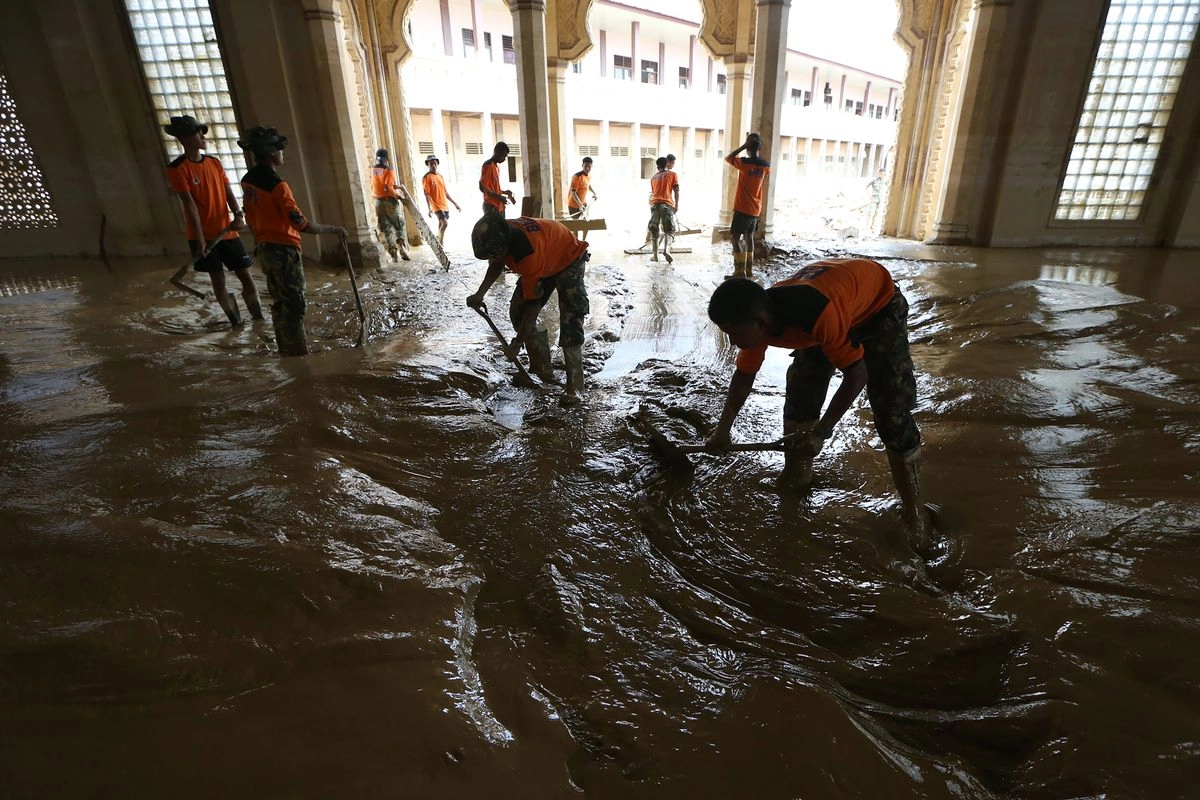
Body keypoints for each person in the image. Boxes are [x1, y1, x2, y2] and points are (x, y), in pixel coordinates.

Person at [704, 258, 932, 554]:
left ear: (760, 322)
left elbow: (857, 375)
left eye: (733, 333)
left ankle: (915, 512)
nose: (733, 341)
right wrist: (723, 431)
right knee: (801, 388)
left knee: (891, 408)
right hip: (830, 309)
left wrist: (822, 432)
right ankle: (798, 474)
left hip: (877, 306)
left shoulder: (814, 312)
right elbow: (744, 378)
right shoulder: (758, 321)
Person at [238, 126, 348, 357]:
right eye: (279, 149)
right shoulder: (279, 186)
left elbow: (250, 215)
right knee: (295, 307)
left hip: (265, 250)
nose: (282, 154)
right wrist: (333, 229)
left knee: (280, 303)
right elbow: (300, 224)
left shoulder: (247, 181)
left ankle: (285, 353)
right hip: (284, 251)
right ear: (271, 154)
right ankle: (299, 358)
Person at [466, 215, 590, 404]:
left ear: (505, 244)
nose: (495, 258)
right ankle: (541, 370)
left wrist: (516, 343)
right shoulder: (502, 236)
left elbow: (533, 307)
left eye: (495, 253)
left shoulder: (527, 253)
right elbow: (497, 263)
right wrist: (480, 293)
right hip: (545, 256)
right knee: (518, 311)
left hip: (567, 257)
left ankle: (575, 386)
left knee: (571, 318)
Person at [163, 114, 262, 327]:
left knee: (246, 275)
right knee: (219, 281)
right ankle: (236, 322)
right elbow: (189, 205)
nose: (203, 136)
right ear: (186, 138)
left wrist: (238, 214)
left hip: (227, 231)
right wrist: (200, 240)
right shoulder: (177, 169)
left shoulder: (214, 163)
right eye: (199, 133)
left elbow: (228, 192)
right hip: (203, 237)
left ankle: (258, 319)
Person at [724, 132, 771, 279]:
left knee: (735, 238)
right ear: (760, 148)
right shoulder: (766, 166)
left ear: (748, 148)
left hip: (743, 207)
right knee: (749, 237)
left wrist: (743, 146)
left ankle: (739, 272)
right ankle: (748, 270)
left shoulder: (744, 163)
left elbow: (728, 158)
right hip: (755, 208)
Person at [370, 148, 410, 261]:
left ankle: (393, 255)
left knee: (386, 228)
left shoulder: (373, 170)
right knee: (399, 224)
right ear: (386, 159)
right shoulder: (388, 170)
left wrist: (393, 186)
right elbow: (388, 188)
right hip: (389, 201)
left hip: (378, 202)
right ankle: (401, 247)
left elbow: (381, 185)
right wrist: (399, 196)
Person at [421, 154, 461, 244]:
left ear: (437, 164)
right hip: (436, 205)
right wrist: (429, 208)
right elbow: (426, 193)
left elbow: (445, 192)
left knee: (441, 223)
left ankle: (438, 239)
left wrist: (455, 204)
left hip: (444, 204)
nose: (433, 165)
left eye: (435, 163)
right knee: (445, 223)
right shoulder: (426, 178)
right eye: (431, 164)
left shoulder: (440, 176)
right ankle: (440, 242)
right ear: (428, 165)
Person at [646, 156, 679, 263]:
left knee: (654, 231)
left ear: (657, 167)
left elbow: (653, 193)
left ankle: (655, 256)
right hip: (666, 205)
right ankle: (667, 251)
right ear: (667, 165)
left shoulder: (653, 178)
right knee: (669, 230)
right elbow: (676, 191)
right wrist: (676, 206)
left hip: (654, 205)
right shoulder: (672, 175)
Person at [480, 141, 516, 216]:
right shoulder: (488, 165)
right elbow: (483, 187)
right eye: (504, 156)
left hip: (498, 206)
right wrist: (499, 197)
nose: (504, 159)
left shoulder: (496, 167)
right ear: (497, 152)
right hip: (491, 207)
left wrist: (503, 192)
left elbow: (492, 188)